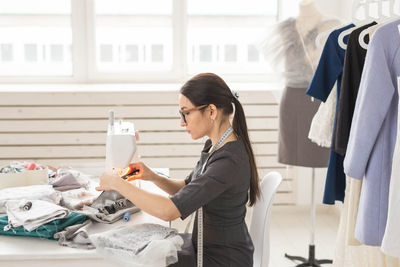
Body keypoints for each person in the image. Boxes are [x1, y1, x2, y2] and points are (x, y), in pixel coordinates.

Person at [96, 72, 260, 266]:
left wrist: (117, 183)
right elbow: (187, 188)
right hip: (205, 247)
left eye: (186, 113)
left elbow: (168, 211)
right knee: (134, 247)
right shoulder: (214, 146)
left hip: (222, 259)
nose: (182, 122)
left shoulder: (228, 162)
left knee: (130, 259)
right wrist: (152, 176)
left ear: (211, 111)